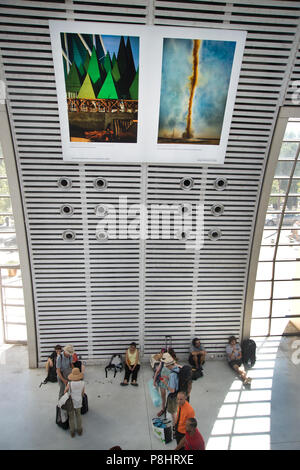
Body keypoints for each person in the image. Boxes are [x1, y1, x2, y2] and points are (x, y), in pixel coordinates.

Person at [153, 348, 177, 417]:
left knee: (171, 398)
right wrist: (154, 381)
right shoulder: (162, 361)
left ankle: (172, 411)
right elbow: (157, 371)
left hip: (170, 383)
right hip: (162, 382)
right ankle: (163, 409)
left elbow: (177, 370)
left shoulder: (173, 363)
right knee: (163, 397)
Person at [159, 352, 181, 427]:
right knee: (177, 410)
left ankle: (175, 428)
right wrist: (167, 378)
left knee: (173, 413)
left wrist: (165, 382)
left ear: (168, 365)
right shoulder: (178, 368)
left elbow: (172, 390)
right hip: (180, 393)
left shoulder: (172, 375)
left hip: (174, 396)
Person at [64, 367, 85, 438]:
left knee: (71, 418)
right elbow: (82, 394)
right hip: (78, 402)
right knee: (78, 416)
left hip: (71, 403)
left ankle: (72, 432)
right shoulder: (82, 383)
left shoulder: (70, 384)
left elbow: (65, 392)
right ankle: (79, 430)